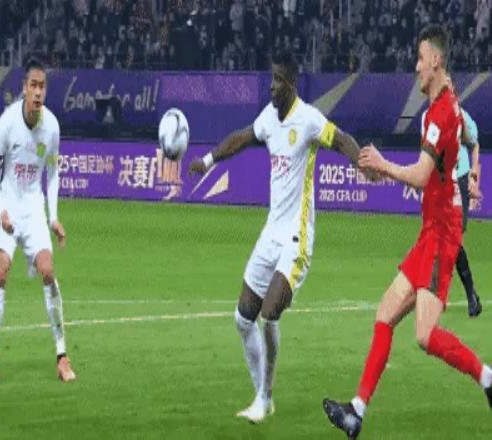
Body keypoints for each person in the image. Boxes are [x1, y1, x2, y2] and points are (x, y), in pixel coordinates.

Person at [322, 25, 492, 439]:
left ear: (436, 60)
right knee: (385, 314)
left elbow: (420, 175)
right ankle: (356, 411)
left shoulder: (443, 112)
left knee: (425, 335)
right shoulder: (438, 108)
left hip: (442, 235)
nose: (416, 66)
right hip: (429, 232)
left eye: (420, 58)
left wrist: (383, 165)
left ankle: (488, 377)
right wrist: (390, 173)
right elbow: (433, 171)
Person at [189, 50, 369, 424]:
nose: (271, 86)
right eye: (271, 79)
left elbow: (342, 140)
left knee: (269, 313)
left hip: (296, 239)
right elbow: (240, 138)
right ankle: (262, 396)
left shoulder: (308, 119)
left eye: (277, 80)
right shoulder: (269, 119)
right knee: (243, 318)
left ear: (291, 83)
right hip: (271, 233)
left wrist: (363, 163)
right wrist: (207, 162)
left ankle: (265, 396)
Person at [0, 58, 76, 384]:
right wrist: (1, 209)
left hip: (34, 209)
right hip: (8, 206)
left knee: (48, 271)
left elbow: (52, 174)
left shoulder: (51, 127)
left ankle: (62, 355)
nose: (38, 92)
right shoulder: (8, 122)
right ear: (24, 89)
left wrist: (53, 217)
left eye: (43, 86)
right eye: (33, 86)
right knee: (0, 272)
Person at [446, 77, 482, 317]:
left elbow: (474, 144)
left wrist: (473, 176)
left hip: (459, 178)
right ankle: (441, 293)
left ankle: (470, 294)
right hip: (442, 183)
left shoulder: (462, 117)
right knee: (442, 240)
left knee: (454, 239)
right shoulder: (430, 117)